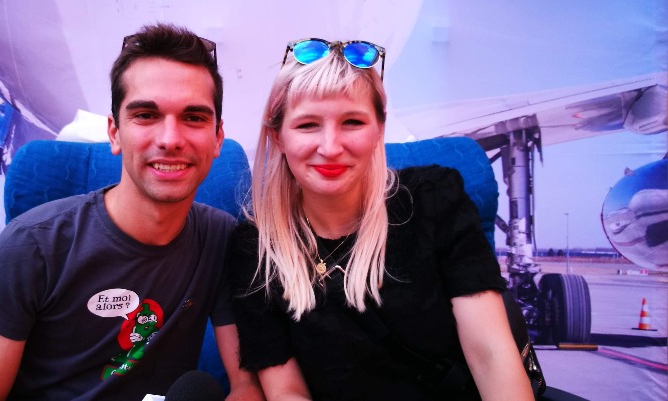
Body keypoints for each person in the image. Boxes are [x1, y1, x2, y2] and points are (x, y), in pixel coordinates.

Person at [0, 23, 261, 401]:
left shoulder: (221, 239)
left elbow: (245, 385)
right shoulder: (31, 246)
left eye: (194, 118)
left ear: (217, 138)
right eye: (146, 115)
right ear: (114, 133)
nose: (170, 139)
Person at [228, 38, 534, 401]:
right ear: (278, 137)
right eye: (307, 125)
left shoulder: (434, 200)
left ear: (378, 130)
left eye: (352, 122)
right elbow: (286, 392)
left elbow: (490, 354)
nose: (330, 147)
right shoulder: (255, 248)